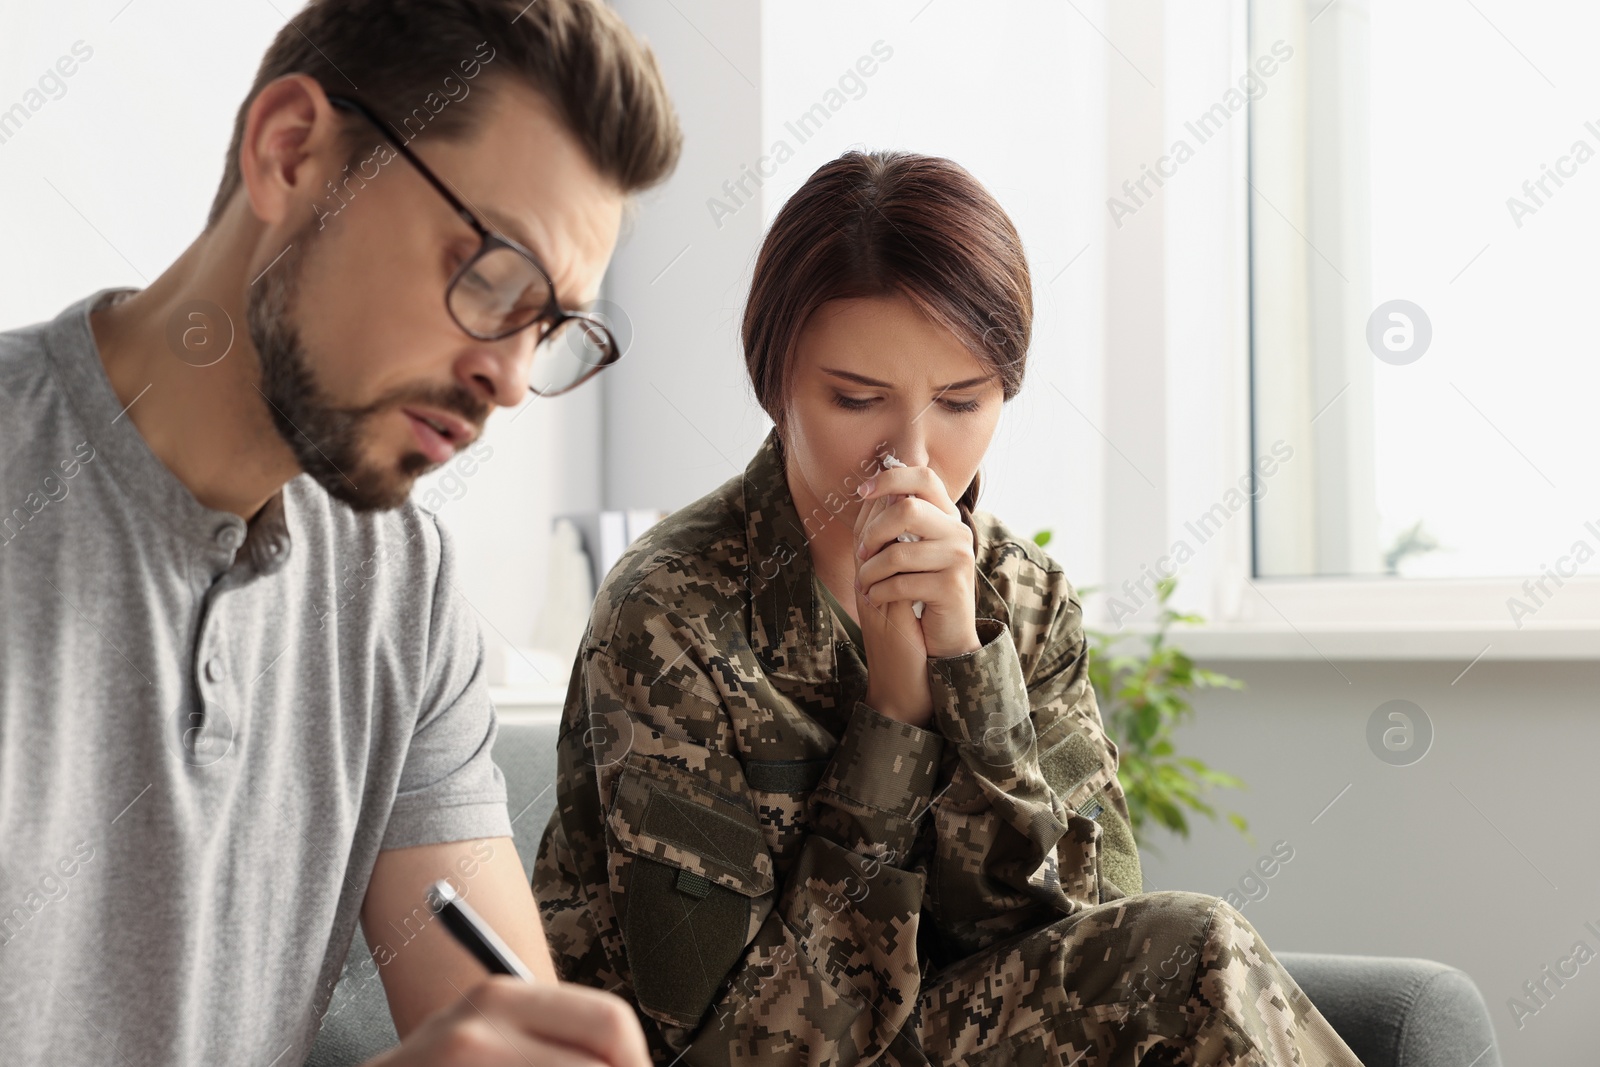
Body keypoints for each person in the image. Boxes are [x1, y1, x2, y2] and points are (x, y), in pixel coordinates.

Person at [534, 150, 1364, 1066]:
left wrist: (970, 670)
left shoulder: (1025, 599)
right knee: (1197, 949)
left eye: (963, 402)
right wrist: (893, 725)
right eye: (856, 399)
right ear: (775, 383)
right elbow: (731, 1047)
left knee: (1191, 956)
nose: (909, 457)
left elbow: (1089, 935)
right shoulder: (668, 613)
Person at [0, 1, 679, 1063]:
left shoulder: (397, 595)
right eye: (493, 276)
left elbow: (501, 1025)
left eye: (549, 328)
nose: (508, 377)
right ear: (291, 152)